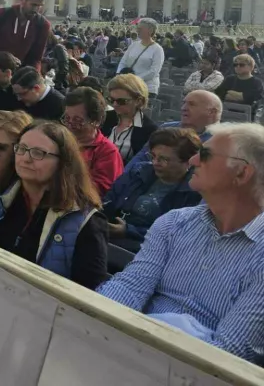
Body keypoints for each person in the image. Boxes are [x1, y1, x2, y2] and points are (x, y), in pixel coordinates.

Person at [99, 123, 264, 364]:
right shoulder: (173, 224)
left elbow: (228, 355)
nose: (194, 160)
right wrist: (94, 320)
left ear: (241, 173)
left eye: (205, 154)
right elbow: (129, 287)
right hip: (125, 348)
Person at [0, 120, 108, 289]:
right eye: (22, 148)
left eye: (38, 153)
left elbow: (90, 291)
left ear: (62, 162)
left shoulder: (85, 220)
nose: (26, 158)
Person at [102, 127, 202, 253]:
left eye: (164, 159)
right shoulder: (138, 172)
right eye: (153, 156)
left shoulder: (194, 192)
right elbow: (109, 200)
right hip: (110, 235)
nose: (155, 162)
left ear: (188, 162)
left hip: (150, 248)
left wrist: (128, 231)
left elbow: (176, 235)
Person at [61, 87, 124, 194]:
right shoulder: (59, 140)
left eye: (78, 120)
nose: (70, 124)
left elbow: (100, 189)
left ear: (96, 121)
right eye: (66, 118)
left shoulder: (107, 152)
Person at [102, 73, 159, 162]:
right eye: (111, 100)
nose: (115, 104)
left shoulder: (149, 130)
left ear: (138, 101)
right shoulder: (104, 117)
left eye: (121, 101)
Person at [116, 17, 165, 96]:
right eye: (137, 28)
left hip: (147, 88)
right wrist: (119, 74)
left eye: (140, 28)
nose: (137, 30)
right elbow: (123, 61)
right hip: (129, 86)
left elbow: (154, 71)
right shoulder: (134, 45)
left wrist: (135, 79)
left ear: (150, 30)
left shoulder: (158, 49)